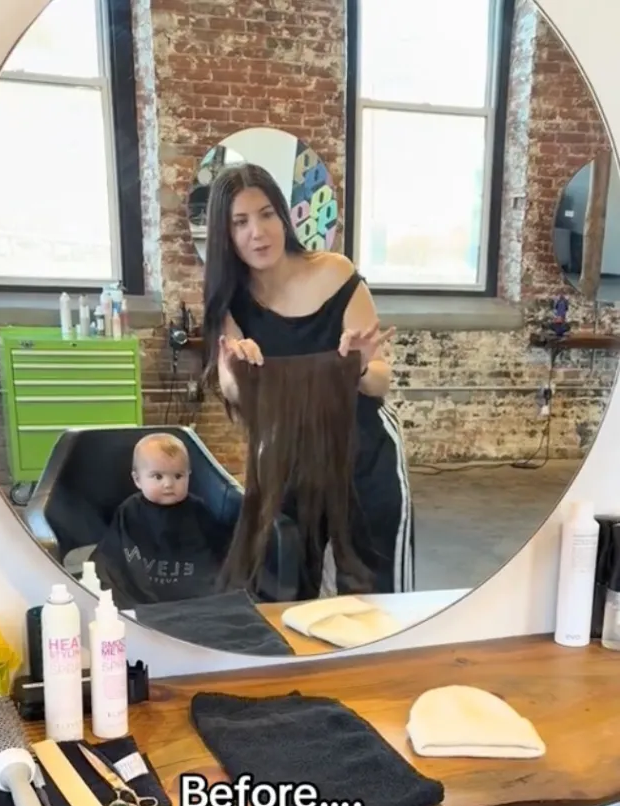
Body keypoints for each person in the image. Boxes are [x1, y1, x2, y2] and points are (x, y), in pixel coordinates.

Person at [201, 162, 414, 599]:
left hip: (364, 450)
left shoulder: (335, 273)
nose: (258, 232)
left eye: (266, 214)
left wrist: (358, 366)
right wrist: (239, 367)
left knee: (377, 595)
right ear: (225, 234)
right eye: (240, 222)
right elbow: (232, 391)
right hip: (288, 458)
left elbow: (380, 381)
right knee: (285, 585)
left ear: (284, 216)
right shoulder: (231, 300)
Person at [91, 433, 233, 607]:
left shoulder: (198, 510)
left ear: (189, 475)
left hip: (194, 599)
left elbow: (221, 554)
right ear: (138, 479)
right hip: (139, 596)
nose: (168, 484)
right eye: (158, 476)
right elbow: (110, 559)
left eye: (178, 476)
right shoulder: (129, 511)